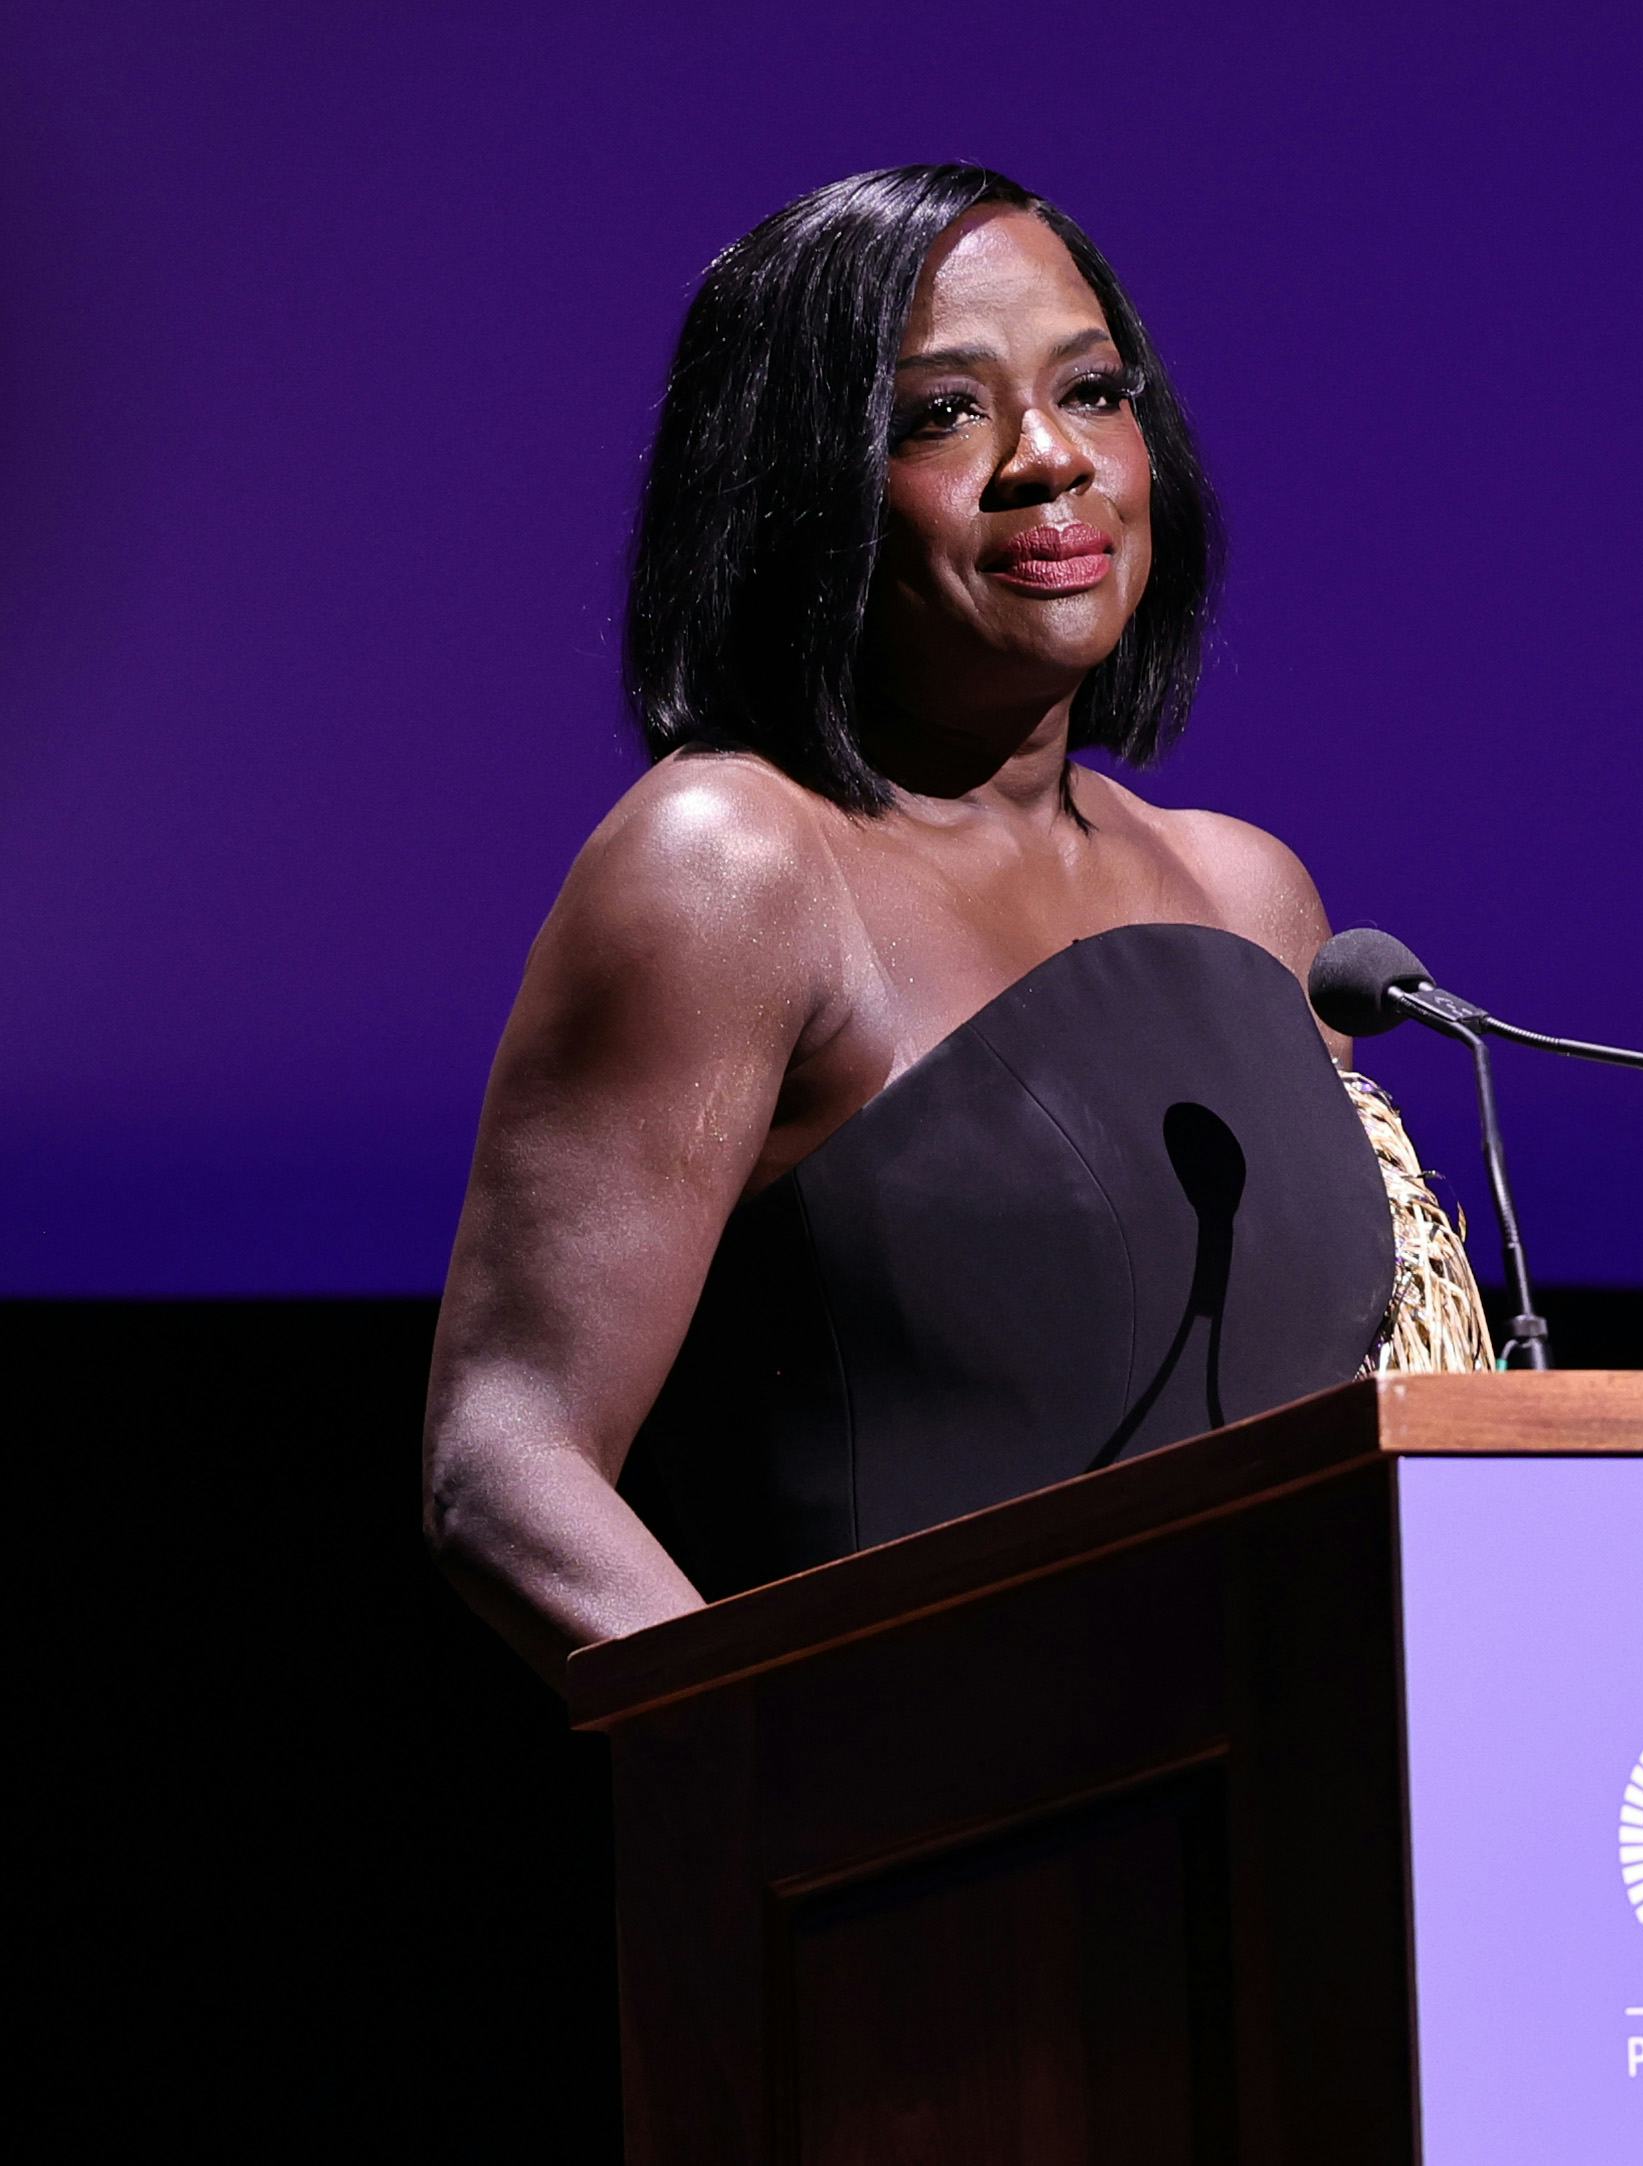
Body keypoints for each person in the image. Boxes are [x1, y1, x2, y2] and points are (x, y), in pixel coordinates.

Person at [422, 165, 1481, 1688]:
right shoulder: (730, 865)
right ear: (797, 485)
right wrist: (808, 1768)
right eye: (939, 414)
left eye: (1093, 390)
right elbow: (509, 1461)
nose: (1050, 461)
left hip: (1304, 1813)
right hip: (944, 1868)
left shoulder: (1248, 898)